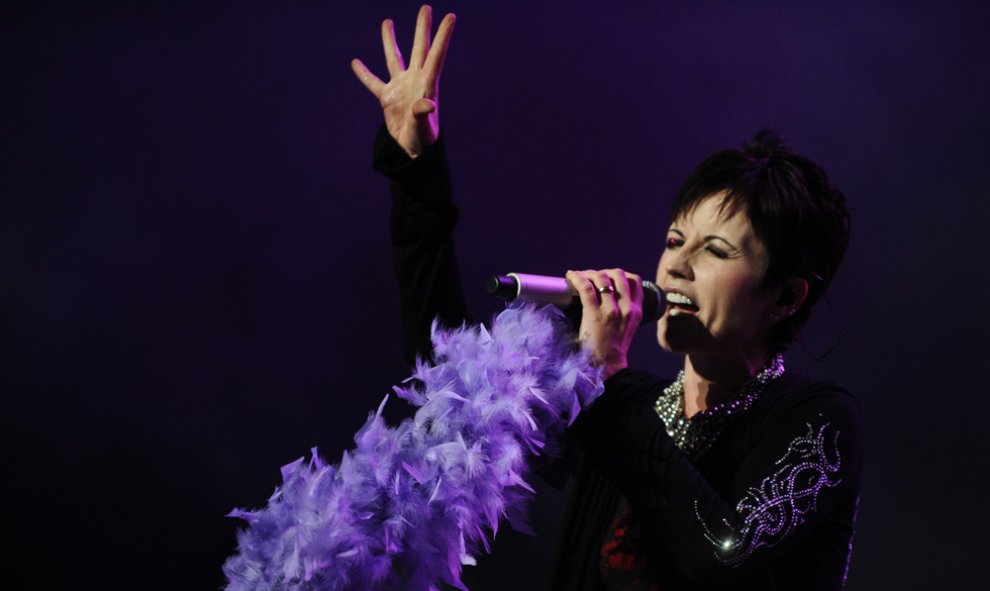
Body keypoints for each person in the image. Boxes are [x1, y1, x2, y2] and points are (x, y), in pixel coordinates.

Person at [353, 6, 863, 590]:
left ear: (786, 297)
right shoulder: (622, 402)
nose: (675, 263)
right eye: (675, 240)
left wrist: (610, 375)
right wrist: (417, 176)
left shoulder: (817, 422)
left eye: (716, 251)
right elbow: (448, 388)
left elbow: (723, 551)